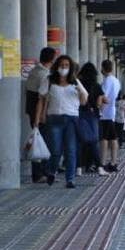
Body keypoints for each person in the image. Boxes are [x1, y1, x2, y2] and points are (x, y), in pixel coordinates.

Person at [36, 55, 88, 188]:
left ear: (70, 68)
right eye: (61, 65)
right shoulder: (49, 80)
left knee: (70, 150)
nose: (63, 68)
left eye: (66, 65)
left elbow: (83, 102)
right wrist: (38, 117)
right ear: (56, 66)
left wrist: (80, 92)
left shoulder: (75, 82)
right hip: (54, 118)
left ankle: (70, 179)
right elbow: (41, 99)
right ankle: (52, 171)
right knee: (55, 151)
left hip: (71, 119)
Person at [25, 47, 56, 183]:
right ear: (52, 59)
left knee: (38, 141)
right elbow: (42, 98)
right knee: (42, 143)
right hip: (40, 113)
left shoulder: (34, 71)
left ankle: (39, 173)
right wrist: (42, 115)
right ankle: (40, 173)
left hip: (32, 111)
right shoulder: (44, 74)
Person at [77, 63, 108, 177]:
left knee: (79, 141)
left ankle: (79, 168)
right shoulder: (96, 85)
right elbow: (101, 102)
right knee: (94, 142)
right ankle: (99, 167)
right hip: (92, 115)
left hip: (79, 113)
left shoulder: (79, 84)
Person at [100, 60, 121, 173]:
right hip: (111, 113)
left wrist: (100, 111)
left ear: (103, 68)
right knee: (113, 138)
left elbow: (104, 97)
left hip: (105, 114)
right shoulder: (116, 81)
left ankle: (102, 163)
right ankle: (113, 162)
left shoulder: (107, 80)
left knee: (104, 138)